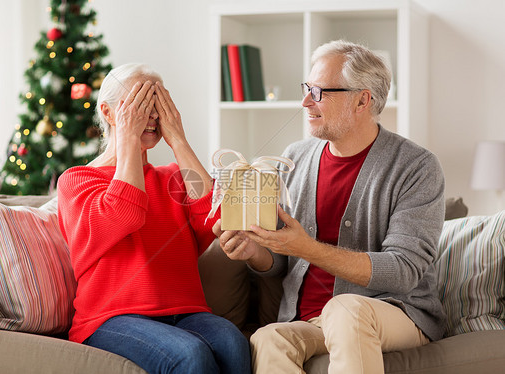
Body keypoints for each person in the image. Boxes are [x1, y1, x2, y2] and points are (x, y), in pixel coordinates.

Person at [213, 40, 446, 373]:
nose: (306, 102)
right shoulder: (294, 158)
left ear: (362, 100)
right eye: (307, 88)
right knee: (267, 338)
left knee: (345, 310)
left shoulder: (416, 167)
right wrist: (255, 250)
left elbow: (403, 271)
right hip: (309, 318)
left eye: (320, 92)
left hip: (394, 312)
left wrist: (307, 247)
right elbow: (280, 260)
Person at [57, 63, 251, 374]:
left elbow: (213, 215)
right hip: (110, 319)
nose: (151, 116)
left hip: (185, 312)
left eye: (158, 105)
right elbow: (126, 213)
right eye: (139, 103)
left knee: (233, 343)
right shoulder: (78, 180)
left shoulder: (173, 177)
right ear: (108, 113)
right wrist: (129, 141)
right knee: (190, 355)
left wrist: (179, 140)